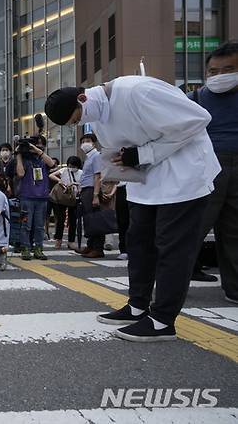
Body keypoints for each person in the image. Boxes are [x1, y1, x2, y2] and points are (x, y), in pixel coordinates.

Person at [45, 74, 221, 342]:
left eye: (76, 119)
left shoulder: (138, 91)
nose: (79, 125)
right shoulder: (98, 115)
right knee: (138, 242)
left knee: (172, 247)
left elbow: (198, 119)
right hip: (144, 182)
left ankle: (163, 320)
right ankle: (138, 305)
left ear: (82, 98)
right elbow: (123, 150)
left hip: (182, 177)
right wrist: (118, 167)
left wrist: (142, 154)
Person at [187, 41, 238, 299]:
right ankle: (168, 286)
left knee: (234, 232)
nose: (220, 76)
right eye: (213, 71)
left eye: (228, 70)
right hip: (205, 164)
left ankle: (234, 288)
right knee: (191, 228)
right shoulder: (193, 99)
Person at [15, 135, 55, 261]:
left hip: (42, 197)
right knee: (25, 225)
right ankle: (25, 248)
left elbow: (52, 163)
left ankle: (38, 248)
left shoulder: (43, 159)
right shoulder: (25, 159)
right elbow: (20, 173)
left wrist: (38, 151)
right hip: (27, 196)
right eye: (34, 145)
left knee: (39, 226)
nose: (35, 147)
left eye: (39, 145)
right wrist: (18, 154)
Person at [72, 133, 105, 258]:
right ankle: (90, 245)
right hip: (86, 190)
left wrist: (96, 195)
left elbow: (98, 176)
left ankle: (98, 248)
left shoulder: (96, 156)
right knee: (88, 220)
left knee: (95, 219)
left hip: (92, 190)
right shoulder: (89, 157)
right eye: (83, 141)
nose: (85, 143)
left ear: (94, 143)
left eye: (88, 141)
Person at [49, 155, 82, 250]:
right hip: (62, 197)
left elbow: (83, 183)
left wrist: (76, 184)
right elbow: (51, 175)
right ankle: (58, 240)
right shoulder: (64, 170)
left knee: (73, 221)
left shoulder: (81, 173)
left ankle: (71, 241)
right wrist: (60, 181)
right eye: (70, 165)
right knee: (60, 219)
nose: (72, 168)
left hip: (74, 198)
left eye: (74, 166)